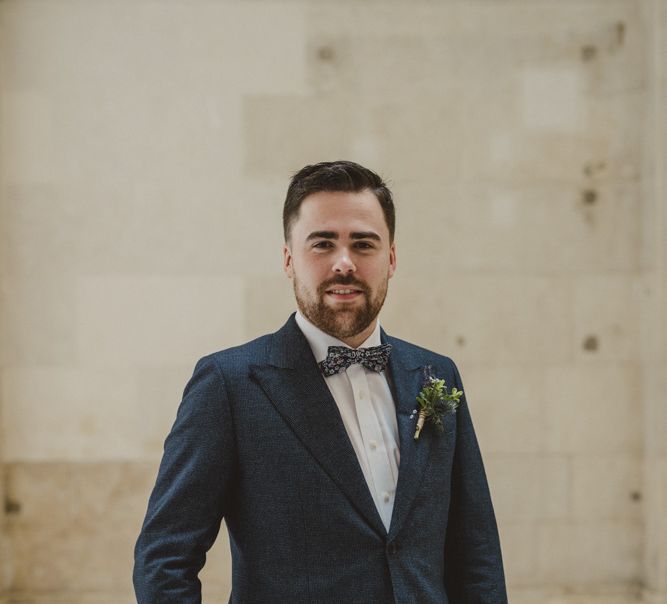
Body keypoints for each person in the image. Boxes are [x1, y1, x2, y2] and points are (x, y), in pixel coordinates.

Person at [133, 160, 507, 603]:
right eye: (323, 244)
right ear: (289, 259)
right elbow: (164, 560)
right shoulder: (229, 385)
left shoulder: (436, 374)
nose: (344, 263)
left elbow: (476, 551)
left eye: (363, 244)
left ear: (391, 259)